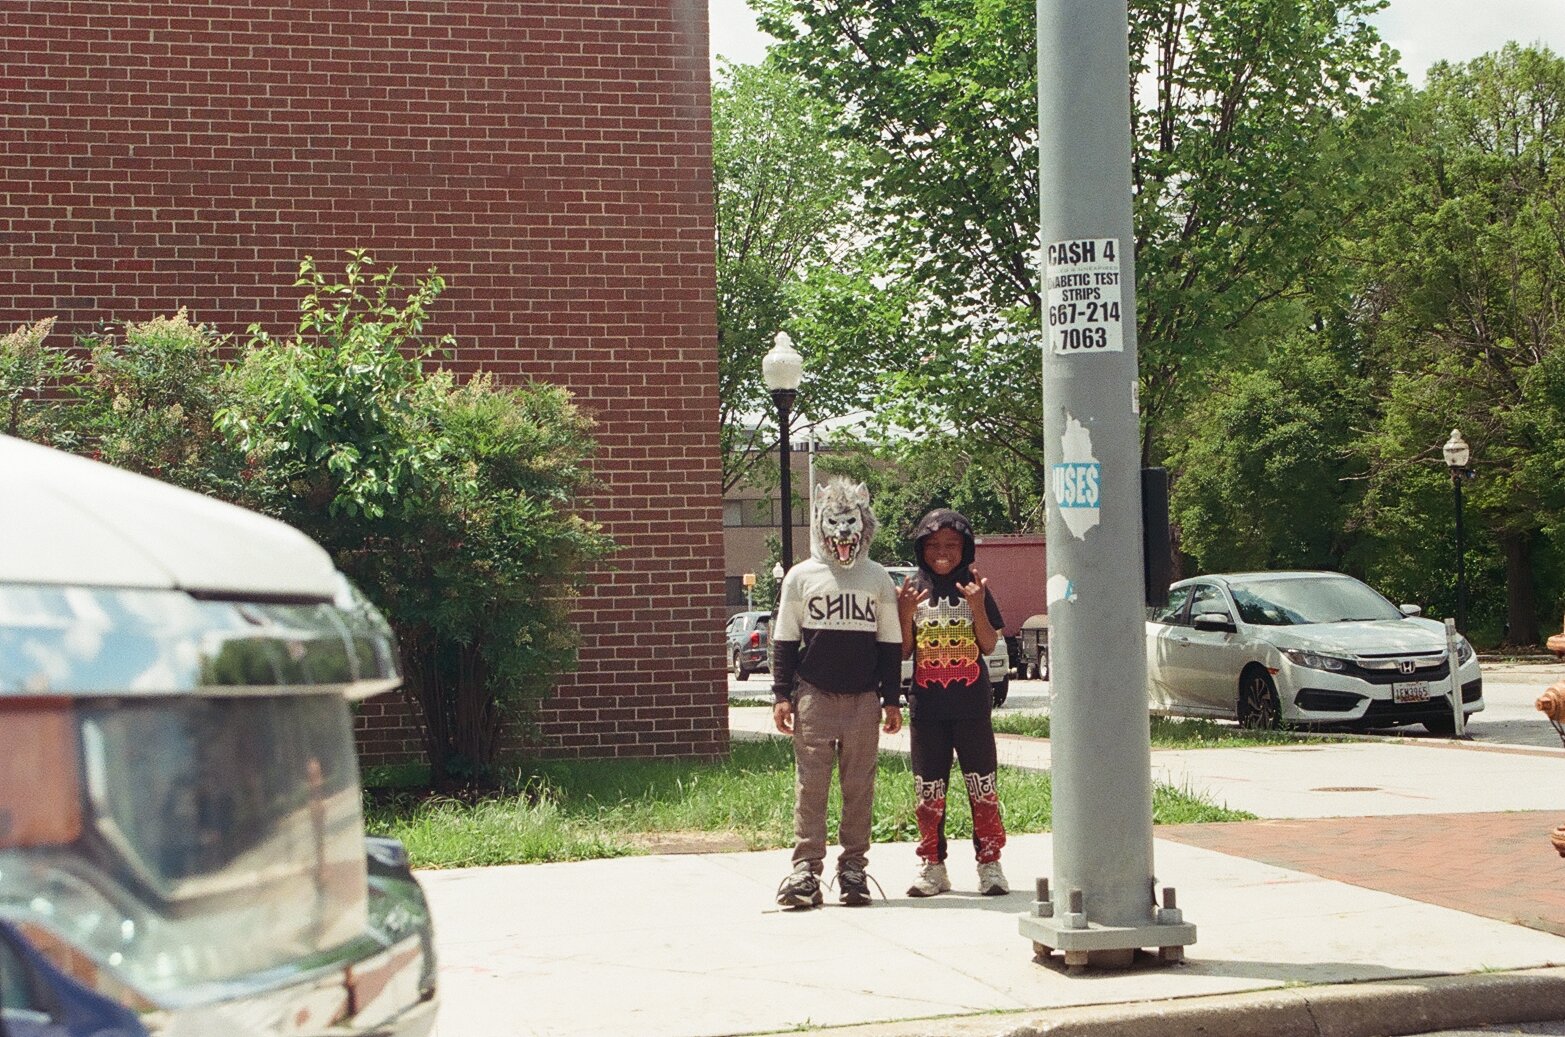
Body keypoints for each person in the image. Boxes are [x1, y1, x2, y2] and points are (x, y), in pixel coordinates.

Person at [771, 477, 903, 908]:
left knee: (859, 786)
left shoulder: (878, 577)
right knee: (811, 786)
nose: (843, 533)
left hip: (864, 698)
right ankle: (806, 870)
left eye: (851, 523)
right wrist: (781, 695)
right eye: (834, 523)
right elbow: (785, 640)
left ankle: (853, 870)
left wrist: (891, 699)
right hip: (814, 695)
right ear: (820, 524)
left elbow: (889, 643)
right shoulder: (800, 577)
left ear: (864, 524)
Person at [895, 508, 1009, 897]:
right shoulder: (913, 587)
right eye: (933, 545)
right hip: (927, 707)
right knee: (929, 787)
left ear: (966, 548)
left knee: (982, 783)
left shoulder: (975, 585)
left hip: (972, 705)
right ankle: (932, 864)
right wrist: (905, 613)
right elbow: (905, 650)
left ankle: (990, 863)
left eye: (951, 545)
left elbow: (989, 644)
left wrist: (977, 607)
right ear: (920, 547)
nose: (941, 552)